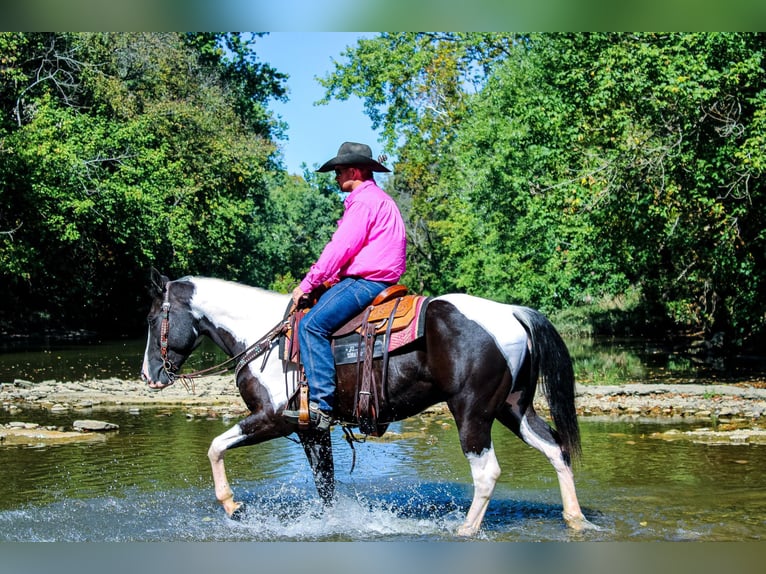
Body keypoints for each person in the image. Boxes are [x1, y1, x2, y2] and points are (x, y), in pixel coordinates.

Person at [282, 142, 407, 431]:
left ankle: (322, 407)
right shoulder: (381, 199)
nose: (335, 176)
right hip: (383, 279)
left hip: (366, 282)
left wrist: (308, 283)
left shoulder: (363, 201)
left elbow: (341, 247)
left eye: (338, 171)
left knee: (311, 325)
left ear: (354, 170)